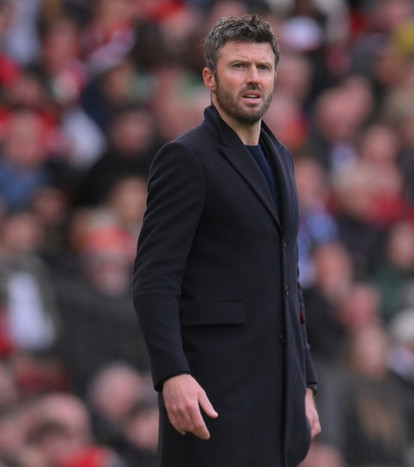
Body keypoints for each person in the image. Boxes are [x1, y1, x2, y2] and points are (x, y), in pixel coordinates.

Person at [131, 14, 320, 466]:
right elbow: (154, 281)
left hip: (278, 406)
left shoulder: (282, 157)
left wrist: (306, 383)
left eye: (263, 67)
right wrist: (172, 374)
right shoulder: (185, 158)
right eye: (239, 66)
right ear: (210, 79)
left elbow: (288, 282)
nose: (253, 78)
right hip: (213, 399)